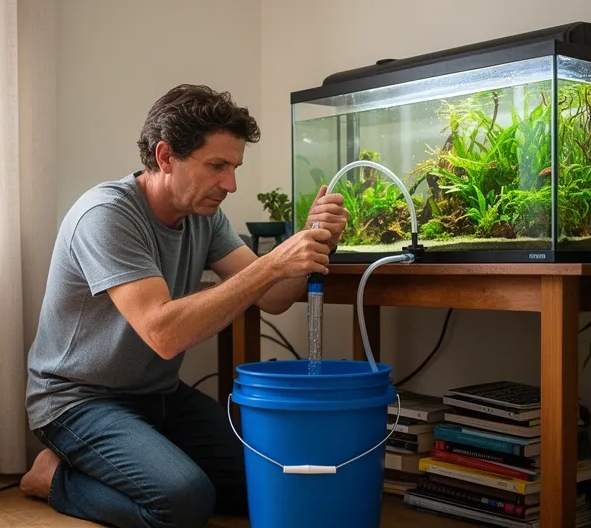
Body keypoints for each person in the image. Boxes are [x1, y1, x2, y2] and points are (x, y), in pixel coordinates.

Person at [20, 84, 348, 528]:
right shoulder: (106, 215)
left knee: (264, 483)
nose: (230, 184)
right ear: (165, 156)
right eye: (217, 166)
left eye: (234, 167)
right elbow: (164, 334)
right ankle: (54, 477)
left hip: (158, 396)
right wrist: (271, 263)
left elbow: (272, 298)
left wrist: (314, 240)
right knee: (183, 503)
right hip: (78, 400)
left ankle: (129, 461)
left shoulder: (205, 218)